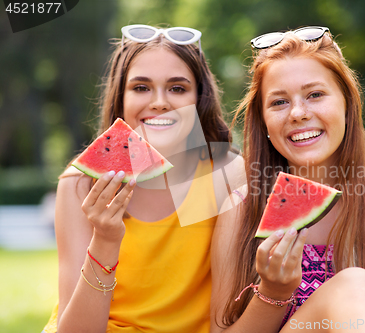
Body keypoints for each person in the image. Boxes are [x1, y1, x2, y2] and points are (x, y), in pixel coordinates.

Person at [210, 27, 365, 332]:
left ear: (346, 104)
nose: (298, 113)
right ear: (263, 120)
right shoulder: (239, 209)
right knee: (354, 286)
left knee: (354, 286)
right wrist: (272, 292)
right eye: (279, 102)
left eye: (315, 95)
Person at [43, 25, 244, 333]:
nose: (159, 102)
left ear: (198, 98)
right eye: (141, 88)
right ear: (120, 97)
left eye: (178, 88)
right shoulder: (79, 184)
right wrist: (105, 241)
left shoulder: (227, 175)